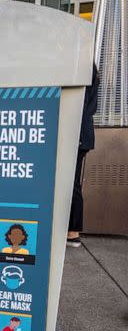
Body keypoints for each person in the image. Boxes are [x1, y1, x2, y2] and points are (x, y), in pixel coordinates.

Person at [68, 63, 99, 248]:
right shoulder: (86, 64)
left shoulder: (83, 64)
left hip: (78, 133)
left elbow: (83, 105)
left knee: (71, 184)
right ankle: (71, 230)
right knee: (70, 183)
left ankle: (73, 231)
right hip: (79, 133)